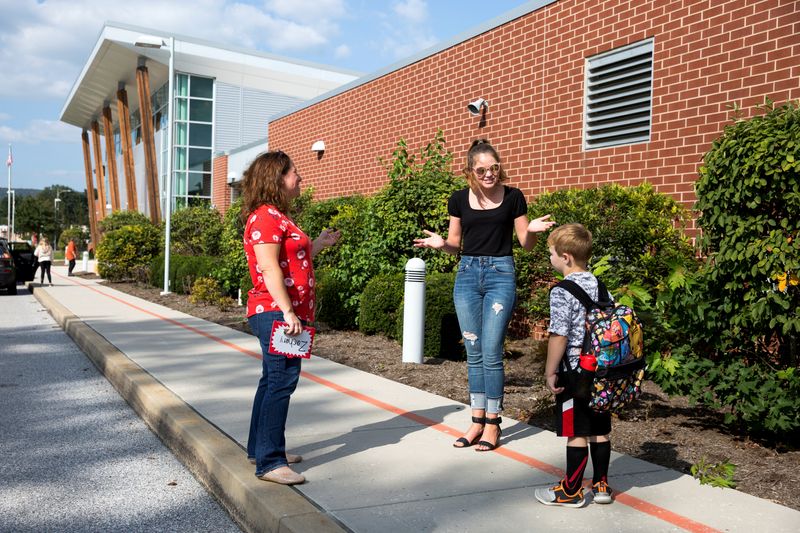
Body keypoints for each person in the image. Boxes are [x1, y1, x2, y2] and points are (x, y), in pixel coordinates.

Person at [414, 139, 555, 451]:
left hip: (500, 275)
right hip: (466, 275)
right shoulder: (458, 199)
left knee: (491, 352)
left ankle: (493, 423)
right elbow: (455, 245)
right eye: (482, 170)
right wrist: (442, 244)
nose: (489, 174)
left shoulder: (514, 197)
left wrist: (530, 230)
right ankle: (476, 420)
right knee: (473, 350)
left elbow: (525, 244)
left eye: (494, 168)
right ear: (470, 172)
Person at [241, 150, 340, 485]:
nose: (299, 177)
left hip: (280, 311)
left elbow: (289, 261)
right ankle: (270, 462)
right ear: (276, 178)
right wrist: (287, 311)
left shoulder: (277, 216)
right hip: (275, 311)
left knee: (272, 379)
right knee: (282, 380)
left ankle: (263, 449)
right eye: (293, 172)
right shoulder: (266, 217)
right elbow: (268, 267)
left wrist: (318, 245)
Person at [534, 223, 613, 508]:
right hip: (603, 370)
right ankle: (601, 485)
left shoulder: (561, 291)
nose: (550, 259)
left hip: (575, 370)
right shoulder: (600, 285)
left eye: (551, 254)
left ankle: (571, 491)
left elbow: (559, 334)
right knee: (599, 428)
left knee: (575, 431)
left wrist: (550, 370)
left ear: (565, 257)